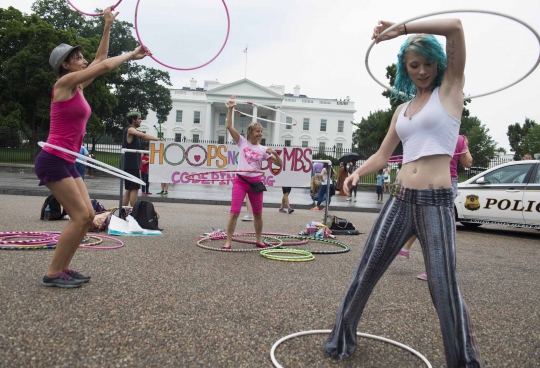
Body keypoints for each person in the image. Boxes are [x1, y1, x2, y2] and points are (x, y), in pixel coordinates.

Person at [323, 19, 483, 367]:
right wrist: (354, 174)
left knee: (443, 287)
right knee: (365, 272)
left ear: (439, 63)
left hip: (434, 203)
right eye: (414, 65)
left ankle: (463, 361)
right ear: (404, 68)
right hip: (399, 199)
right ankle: (341, 340)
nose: (422, 71)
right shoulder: (402, 110)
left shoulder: (451, 91)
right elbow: (383, 156)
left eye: (428, 63)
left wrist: (401, 28)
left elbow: (455, 26)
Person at [34, 7, 151, 288]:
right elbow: (104, 65)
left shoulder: (79, 88)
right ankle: (52, 273)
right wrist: (132, 55)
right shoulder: (63, 84)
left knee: (88, 218)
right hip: (52, 159)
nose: (84, 61)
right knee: (79, 217)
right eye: (78, 58)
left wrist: (107, 25)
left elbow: (99, 60)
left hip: (68, 161)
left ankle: (64, 268)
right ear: (65, 65)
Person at [398, 135, 473, 281]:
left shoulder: (430, 137)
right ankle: (437, 268)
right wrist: (464, 145)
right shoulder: (458, 139)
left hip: (427, 180)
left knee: (427, 221)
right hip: (447, 181)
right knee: (439, 226)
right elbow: (468, 162)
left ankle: (409, 249)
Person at [222, 95, 282, 249]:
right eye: (257, 131)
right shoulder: (242, 142)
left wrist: (274, 154)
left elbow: (279, 165)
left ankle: (259, 240)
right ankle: (228, 241)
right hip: (241, 181)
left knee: (258, 214)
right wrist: (230, 109)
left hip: (256, 182)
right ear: (250, 132)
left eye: (261, 131)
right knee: (234, 213)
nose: (260, 133)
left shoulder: (263, 149)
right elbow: (229, 126)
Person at [122, 111, 161, 206]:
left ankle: (122, 212)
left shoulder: (133, 132)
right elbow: (143, 135)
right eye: (139, 119)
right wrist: (158, 139)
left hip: (131, 165)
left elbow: (144, 138)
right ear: (133, 120)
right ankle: (133, 213)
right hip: (130, 165)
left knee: (129, 189)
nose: (141, 121)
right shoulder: (130, 130)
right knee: (134, 189)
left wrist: (139, 167)